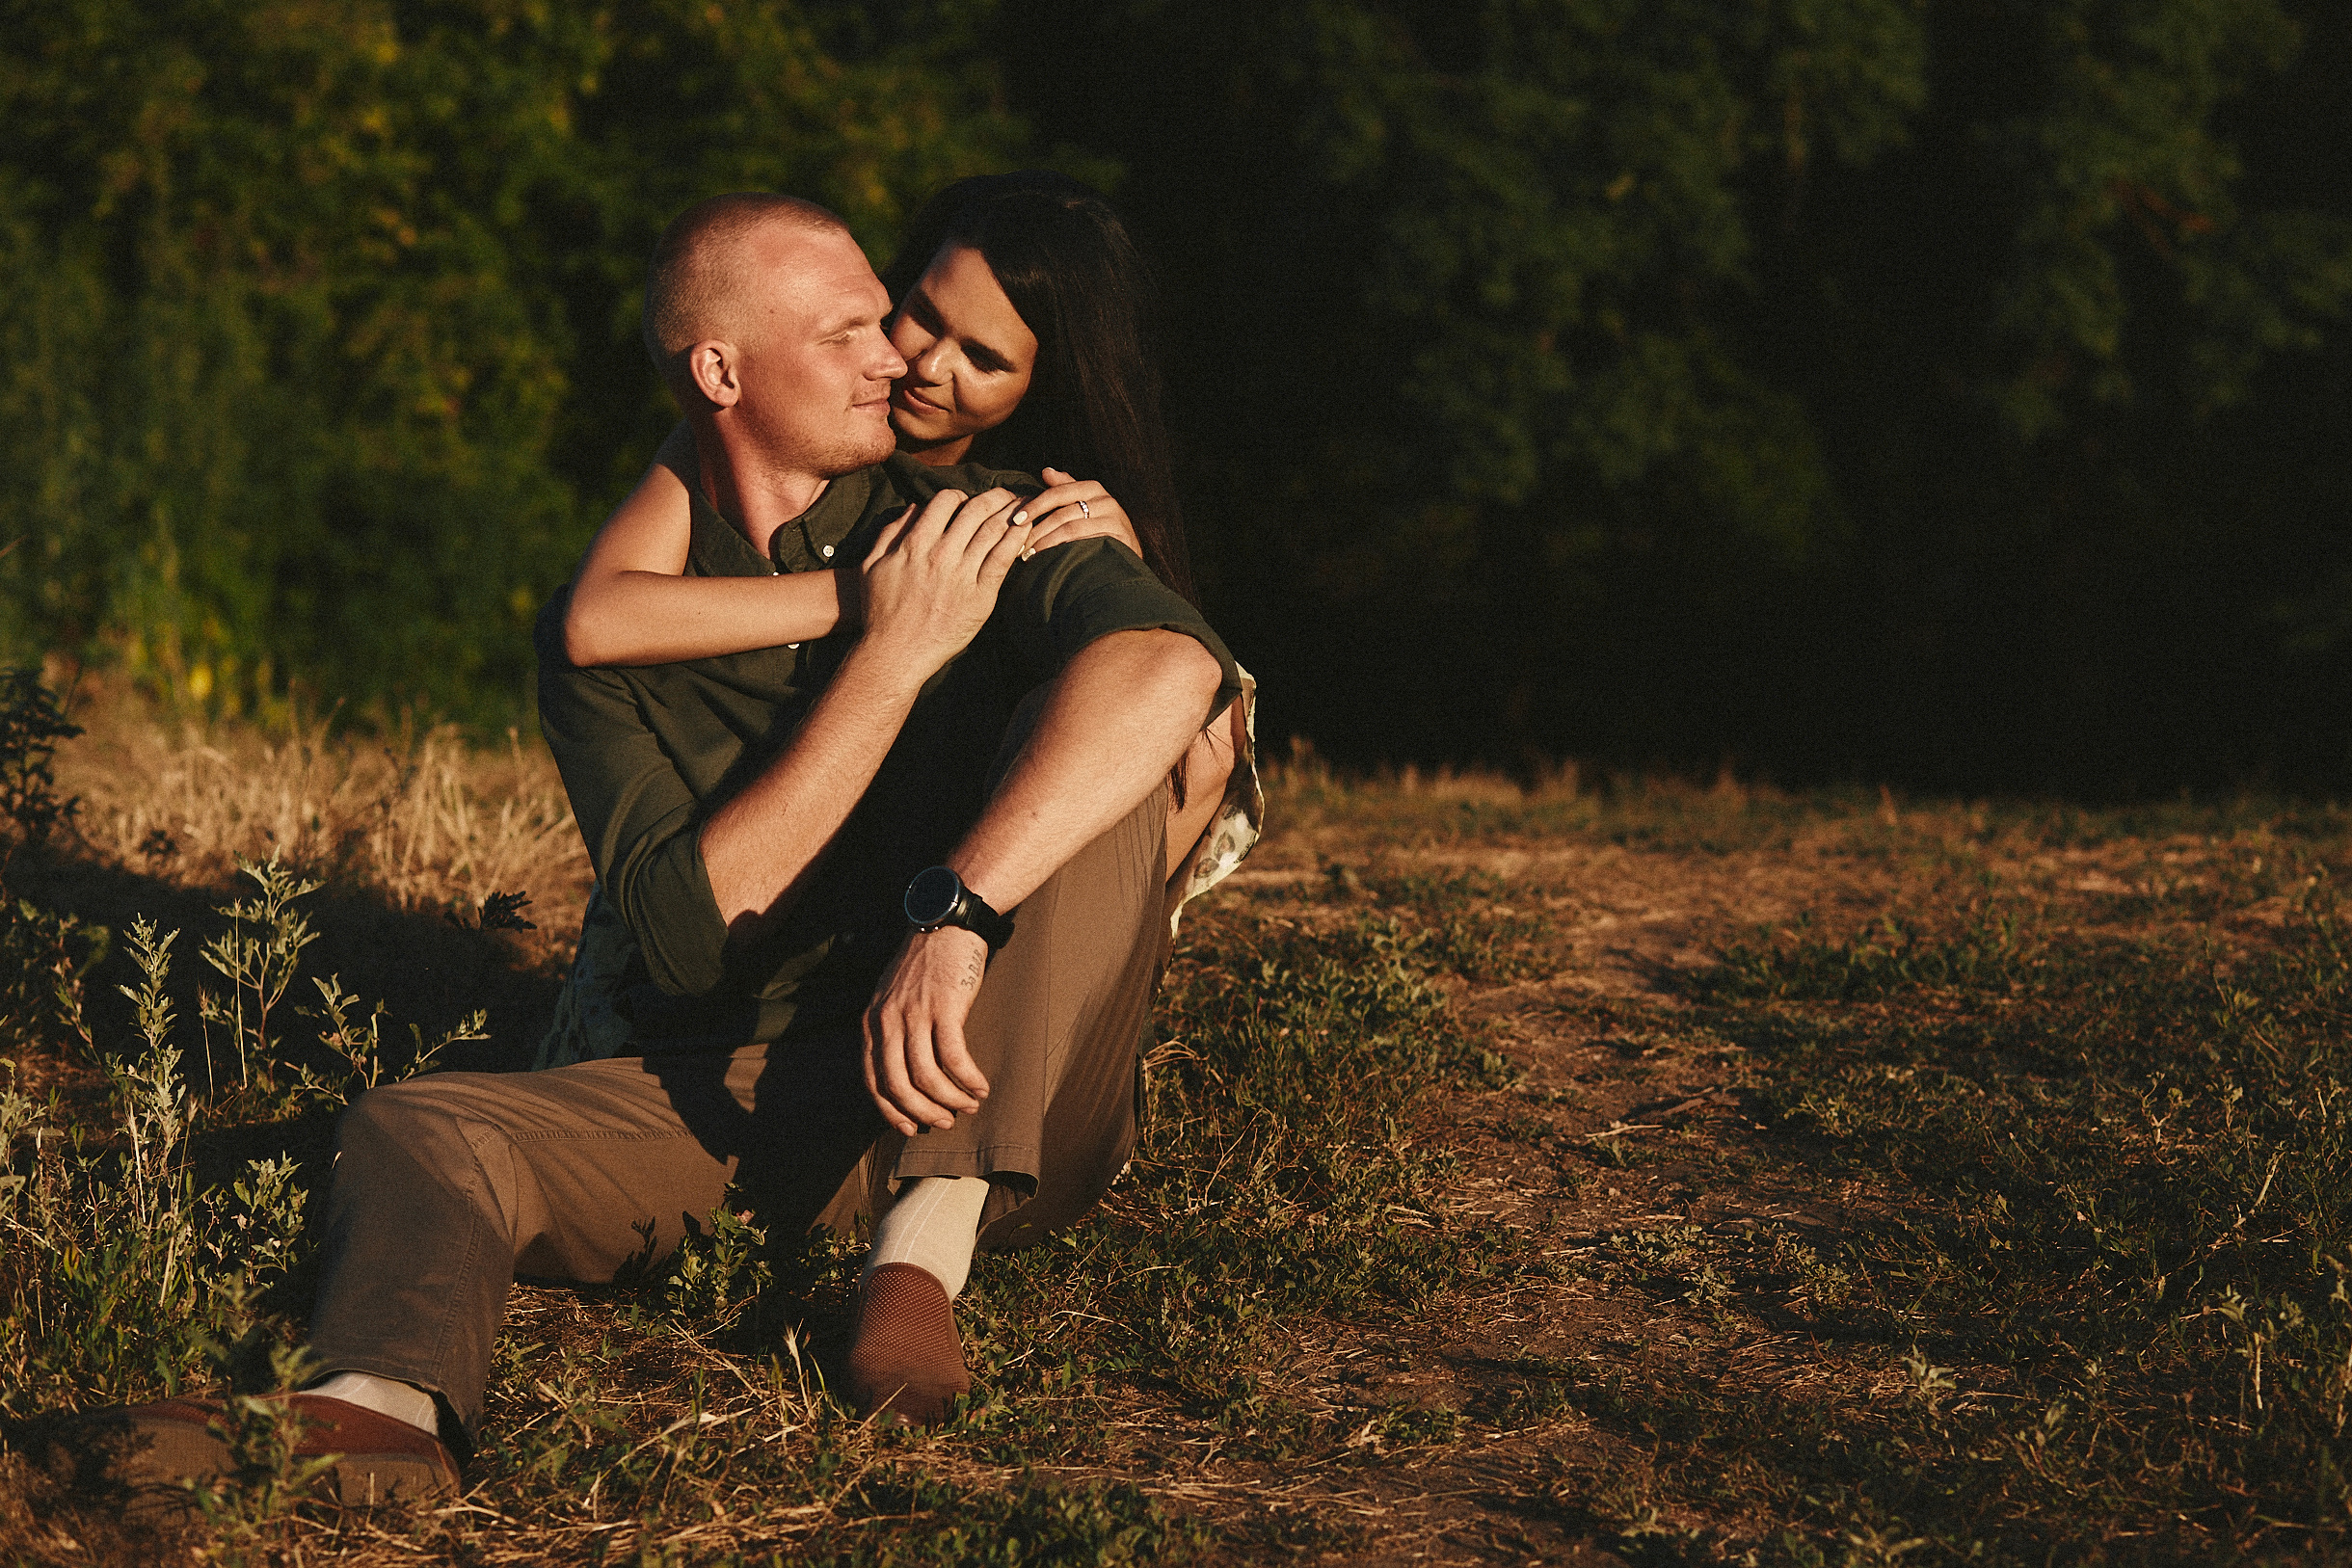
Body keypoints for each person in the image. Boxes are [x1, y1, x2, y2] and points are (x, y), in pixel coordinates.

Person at [82, 189, 1245, 1505]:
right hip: (759, 1092)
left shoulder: (980, 518)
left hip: (997, 1080)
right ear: (722, 369)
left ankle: (920, 1254)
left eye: (898, 322)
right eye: (859, 328)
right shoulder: (630, 621)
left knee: (1086, 754)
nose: (899, 361)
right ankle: (374, 1415)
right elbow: (688, 932)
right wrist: (891, 652)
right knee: (424, 1122)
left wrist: (952, 917)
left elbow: (1165, 666)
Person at [548, 173, 1252, 907]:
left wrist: (1114, 569)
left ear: (1040, 387)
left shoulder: (1024, 496)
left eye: (983, 359)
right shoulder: (764, 428)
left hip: (951, 862)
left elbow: (1161, 688)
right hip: (765, 881)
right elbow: (597, 617)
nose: (922, 365)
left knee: (1201, 729)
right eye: (921, 314)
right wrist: (888, 598)